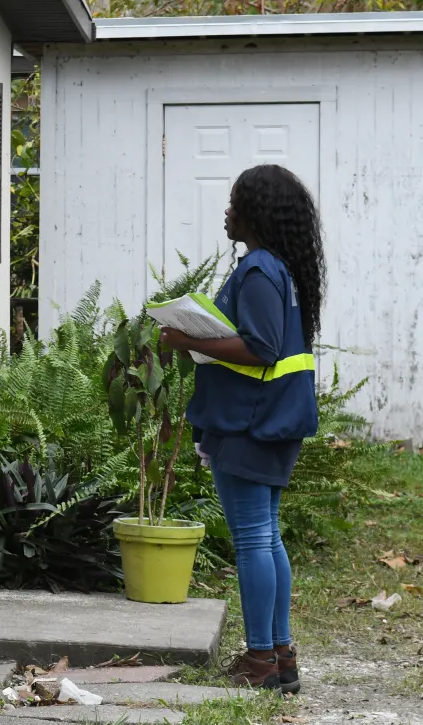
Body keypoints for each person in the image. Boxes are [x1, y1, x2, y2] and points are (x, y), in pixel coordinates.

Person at [160, 164, 324, 694]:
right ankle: (279, 655)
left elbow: (260, 348)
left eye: (234, 202)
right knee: (267, 537)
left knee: (254, 540)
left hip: (250, 421)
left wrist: (187, 340)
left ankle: (260, 660)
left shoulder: (257, 268)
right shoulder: (283, 267)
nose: (226, 211)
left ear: (255, 212)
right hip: (274, 418)